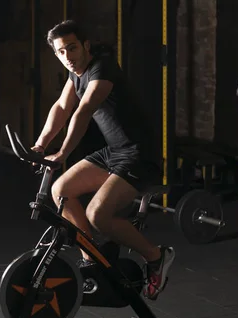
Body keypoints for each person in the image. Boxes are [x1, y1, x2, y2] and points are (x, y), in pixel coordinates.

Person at [30, 20, 175, 301]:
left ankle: (157, 256)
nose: (68, 57)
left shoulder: (102, 68)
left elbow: (83, 111)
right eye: (61, 52)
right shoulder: (76, 74)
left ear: (86, 45)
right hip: (115, 152)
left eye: (72, 48)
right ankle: (92, 260)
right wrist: (40, 145)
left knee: (98, 215)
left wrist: (62, 154)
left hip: (139, 154)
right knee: (61, 191)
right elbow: (62, 107)